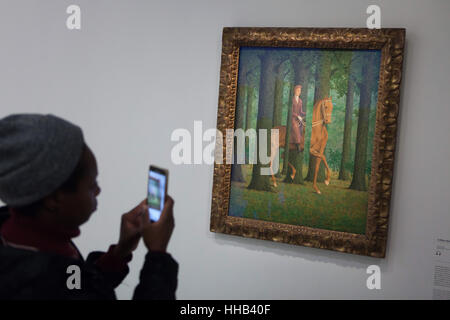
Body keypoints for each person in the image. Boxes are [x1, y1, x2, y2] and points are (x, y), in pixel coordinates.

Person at [0, 114, 178, 300]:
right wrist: (158, 255)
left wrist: (119, 253)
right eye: (91, 185)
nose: (98, 190)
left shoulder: (39, 241)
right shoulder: (36, 287)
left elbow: (75, 284)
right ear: (53, 200)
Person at [290, 85, 306, 152]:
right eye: (298, 90)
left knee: (303, 126)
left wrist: (305, 113)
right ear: (295, 91)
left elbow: (300, 111)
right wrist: (297, 116)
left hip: (299, 118)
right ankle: (297, 144)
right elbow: (291, 111)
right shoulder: (292, 100)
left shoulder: (300, 101)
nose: (299, 92)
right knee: (296, 126)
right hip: (293, 118)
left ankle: (302, 142)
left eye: (300, 91)